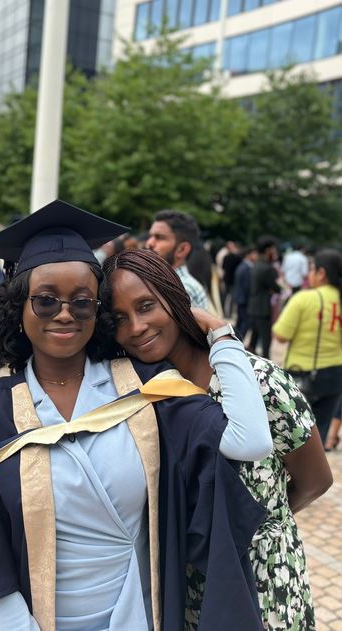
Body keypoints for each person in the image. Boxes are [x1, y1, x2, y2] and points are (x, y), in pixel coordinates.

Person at [0, 200, 273, 631]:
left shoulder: (144, 389)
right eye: (45, 301)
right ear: (18, 308)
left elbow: (250, 440)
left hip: (139, 613)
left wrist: (222, 336)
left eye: (82, 302)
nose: (65, 314)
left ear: (98, 311)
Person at [100, 248, 333, 631]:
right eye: (120, 318)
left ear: (174, 299)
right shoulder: (140, 393)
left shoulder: (256, 380)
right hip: (187, 581)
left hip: (263, 579)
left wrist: (256, 523)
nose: (137, 327)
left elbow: (316, 480)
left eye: (146, 306)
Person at [273, 249, 342, 444]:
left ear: (321, 273)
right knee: (320, 435)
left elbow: (280, 335)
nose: (309, 274)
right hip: (336, 375)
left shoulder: (304, 298)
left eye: (312, 269)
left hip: (303, 375)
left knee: (294, 437)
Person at [146, 210, 208, 309]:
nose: (149, 243)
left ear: (182, 249)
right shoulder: (166, 283)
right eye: (150, 236)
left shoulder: (182, 289)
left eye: (159, 237)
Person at [247, 236, 281, 359]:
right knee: (266, 339)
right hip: (263, 308)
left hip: (253, 306)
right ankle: (266, 362)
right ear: (268, 250)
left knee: (254, 338)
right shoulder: (267, 268)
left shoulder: (256, 265)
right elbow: (277, 288)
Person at [232, 246, 258, 339]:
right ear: (248, 255)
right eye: (254, 254)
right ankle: (239, 341)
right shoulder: (246, 268)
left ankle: (236, 340)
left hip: (240, 298)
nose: (256, 256)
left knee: (240, 321)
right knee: (245, 322)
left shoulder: (243, 266)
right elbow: (247, 286)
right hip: (244, 299)